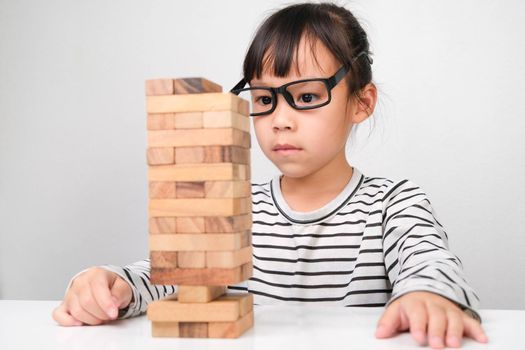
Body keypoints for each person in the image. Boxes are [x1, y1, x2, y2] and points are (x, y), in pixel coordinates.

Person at [52, 2, 488, 348]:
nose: (280, 119)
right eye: (264, 99)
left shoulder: (395, 203)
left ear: (361, 102)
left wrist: (429, 296)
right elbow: (167, 276)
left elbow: (431, 265)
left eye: (307, 95)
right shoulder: (235, 206)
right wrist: (112, 285)